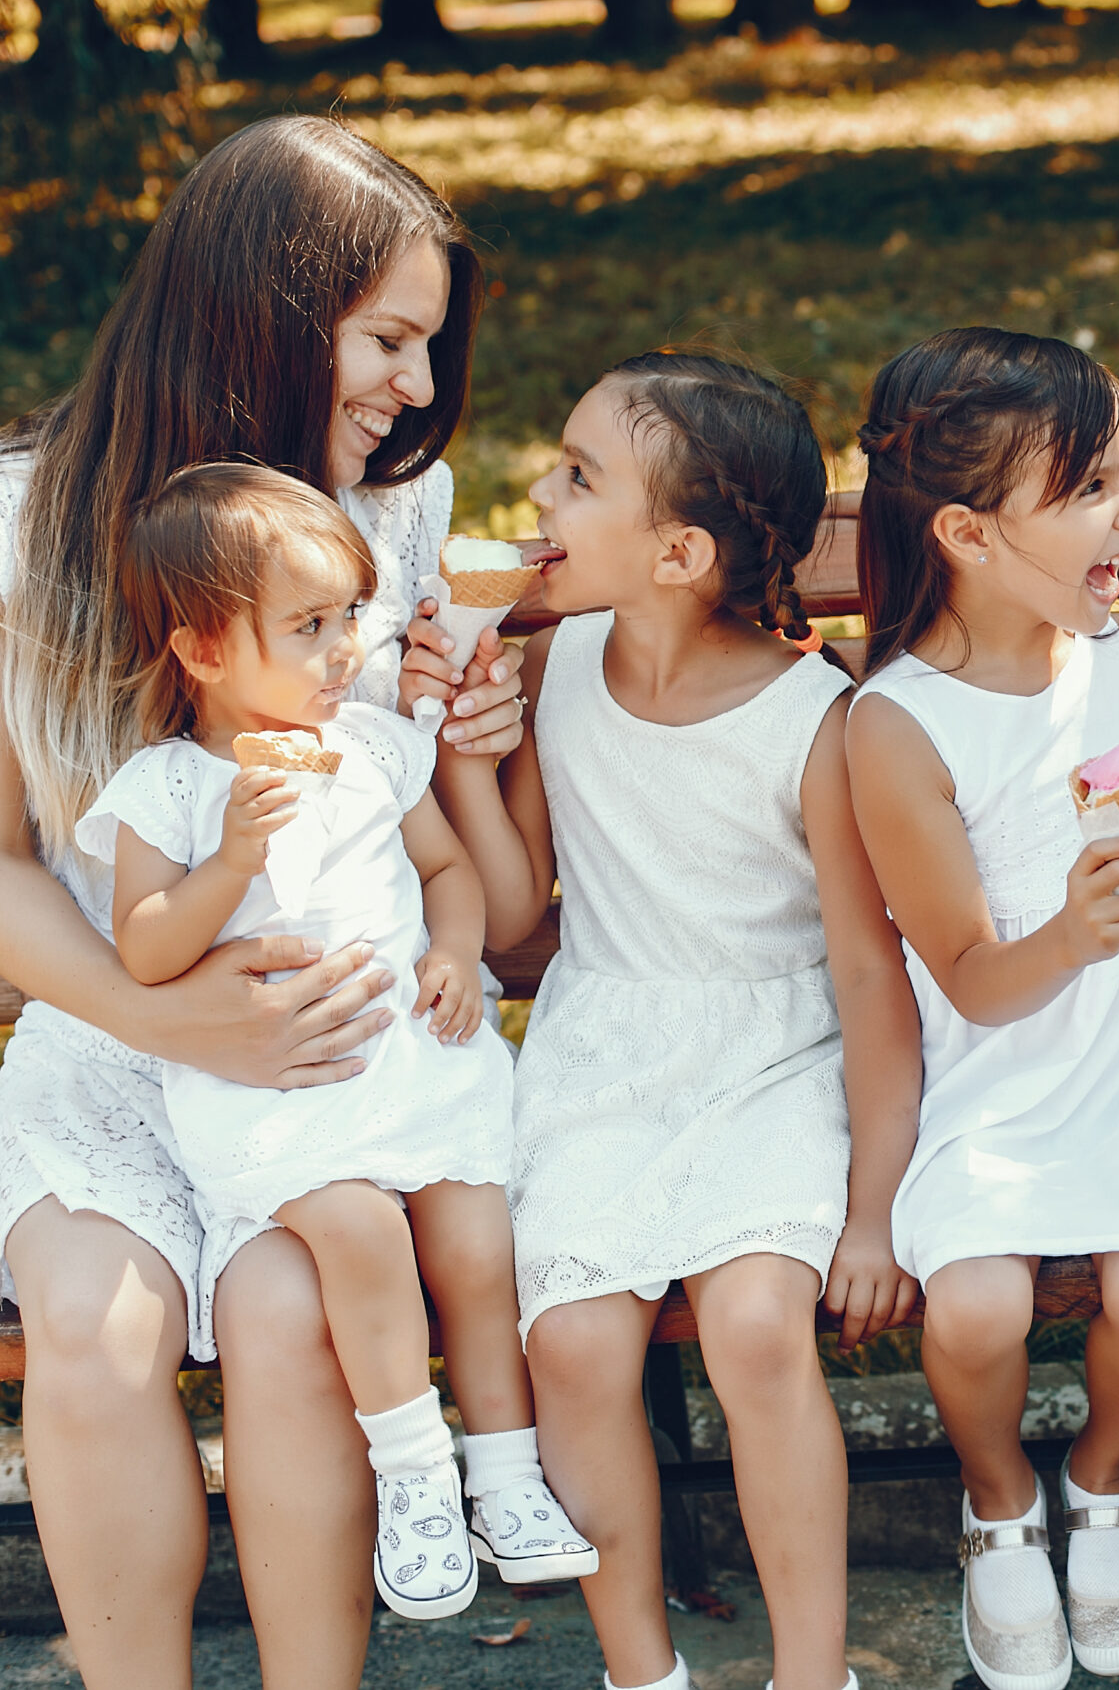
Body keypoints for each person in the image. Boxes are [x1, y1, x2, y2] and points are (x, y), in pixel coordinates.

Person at [0, 115, 525, 1687]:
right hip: (116, 1033)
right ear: (261, 313)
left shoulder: (387, 513)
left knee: (293, 1306)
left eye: (427, 345)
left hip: (335, 1055)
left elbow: (438, 825)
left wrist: (480, 731)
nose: (418, 388)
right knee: (101, 1336)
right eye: (387, 338)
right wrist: (176, 1017)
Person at [439, 349, 921, 1690]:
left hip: (776, 1058)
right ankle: (639, 1668)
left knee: (759, 1321)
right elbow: (514, 924)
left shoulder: (814, 719)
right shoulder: (565, 659)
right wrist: (474, 767)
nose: (540, 491)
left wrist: (874, 1209)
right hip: (603, 1048)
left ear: (678, 550)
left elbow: (870, 976)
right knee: (576, 1339)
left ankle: (808, 1668)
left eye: (580, 476)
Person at [78, 462, 589, 1620]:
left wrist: (454, 952)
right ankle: (414, 1467)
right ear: (204, 652)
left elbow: (448, 870)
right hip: (281, 1095)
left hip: (412, 1065)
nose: (344, 648)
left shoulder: (368, 751)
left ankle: (505, 1477)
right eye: (309, 627)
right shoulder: (167, 790)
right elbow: (148, 952)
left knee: (472, 1231)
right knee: (360, 1225)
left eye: (349, 614)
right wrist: (230, 866)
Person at [844, 328, 1119, 1690]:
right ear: (966, 532)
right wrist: (1065, 929)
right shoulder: (898, 727)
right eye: (1093, 489)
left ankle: (1107, 1475)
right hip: (995, 1083)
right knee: (977, 1308)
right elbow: (963, 971)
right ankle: (997, 1495)